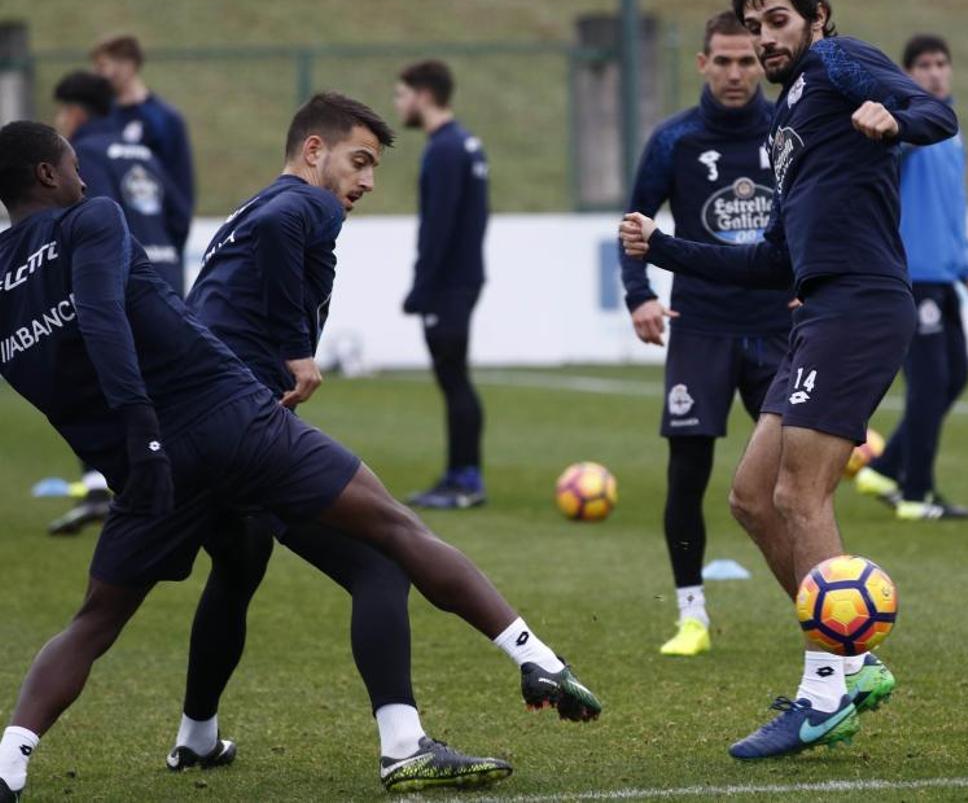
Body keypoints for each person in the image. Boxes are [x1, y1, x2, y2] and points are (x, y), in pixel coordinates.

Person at [0, 120, 600, 802]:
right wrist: (283, 351)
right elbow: (103, 315)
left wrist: (131, 451)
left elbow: (55, 375)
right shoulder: (96, 219)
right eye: (73, 166)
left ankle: (17, 761)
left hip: (152, 468)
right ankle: (531, 663)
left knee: (109, 615)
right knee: (391, 535)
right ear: (47, 174)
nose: (83, 179)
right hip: (227, 416)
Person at [619, 0, 957, 759]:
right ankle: (856, 660)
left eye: (778, 21)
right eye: (754, 25)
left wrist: (895, 121)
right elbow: (771, 260)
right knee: (750, 498)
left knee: (800, 495)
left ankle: (824, 692)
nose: (766, 38)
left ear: (817, 17)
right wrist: (663, 247)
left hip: (859, 305)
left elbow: (935, 111)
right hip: (817, 311)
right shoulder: (785, 121)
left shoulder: (838, 62)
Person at [178, 91, 516, 792]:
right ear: (314, 150)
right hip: (242, 428)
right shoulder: (304, 204)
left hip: (196, 426)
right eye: (360, 162)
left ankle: (193, 738)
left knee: (228, 569)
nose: (367, 181)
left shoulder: (249, 209)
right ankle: (404, 744)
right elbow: (280, 236)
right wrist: (296, 351)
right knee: (380, 561)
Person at [620, 11, 792, 657]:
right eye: (723, 61)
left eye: (747, 60)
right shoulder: (675, 140)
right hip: (702, 326)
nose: (736, 73)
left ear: (762, 62)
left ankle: (821, 605)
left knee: (795, 478)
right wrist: (639, 295)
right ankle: (691, 616)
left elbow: (818, 213)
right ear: (702, 64)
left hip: (779, 325)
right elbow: (635, 222)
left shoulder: (789, 130)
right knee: (688, 472)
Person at [41, 71, 187, 536]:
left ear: (75, 112)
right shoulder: (142, 152)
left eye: (61, 110)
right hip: (163, 276)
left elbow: (88, 218)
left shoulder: (82, 155)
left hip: (116, 280)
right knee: (165, 383)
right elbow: (179, 214)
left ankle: (107, 489)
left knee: (99, 374)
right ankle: (175, 481)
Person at [856, 34, 968, 521]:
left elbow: (954, 209)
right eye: (923, 65)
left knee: (955, 376)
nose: (934, 73)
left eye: (941, 63)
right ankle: (916, 494)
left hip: (943, 276)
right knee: (930, 384)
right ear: (907, 74)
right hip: (911, 277)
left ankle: (885, 468)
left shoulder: (951, 131)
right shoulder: (906, 128)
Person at [394, 60, 489, 510]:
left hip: (449, 284)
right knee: (455, 378)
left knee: (454, 379)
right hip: (462, 278)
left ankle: (464, 480)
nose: (398, 104)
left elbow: (439, 226)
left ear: (424, 95)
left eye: (402, 95)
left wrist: (421, 286)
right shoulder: (465, 143)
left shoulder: (445, 149)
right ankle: (461, 475)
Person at [91, 34, 194, 257]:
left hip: (154, 239)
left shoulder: (164, 118)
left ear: (128, 65)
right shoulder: (99, 119)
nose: (97, 75)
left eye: (102, 66)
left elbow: (180, 182)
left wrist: (175, 238)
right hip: (113, 238)